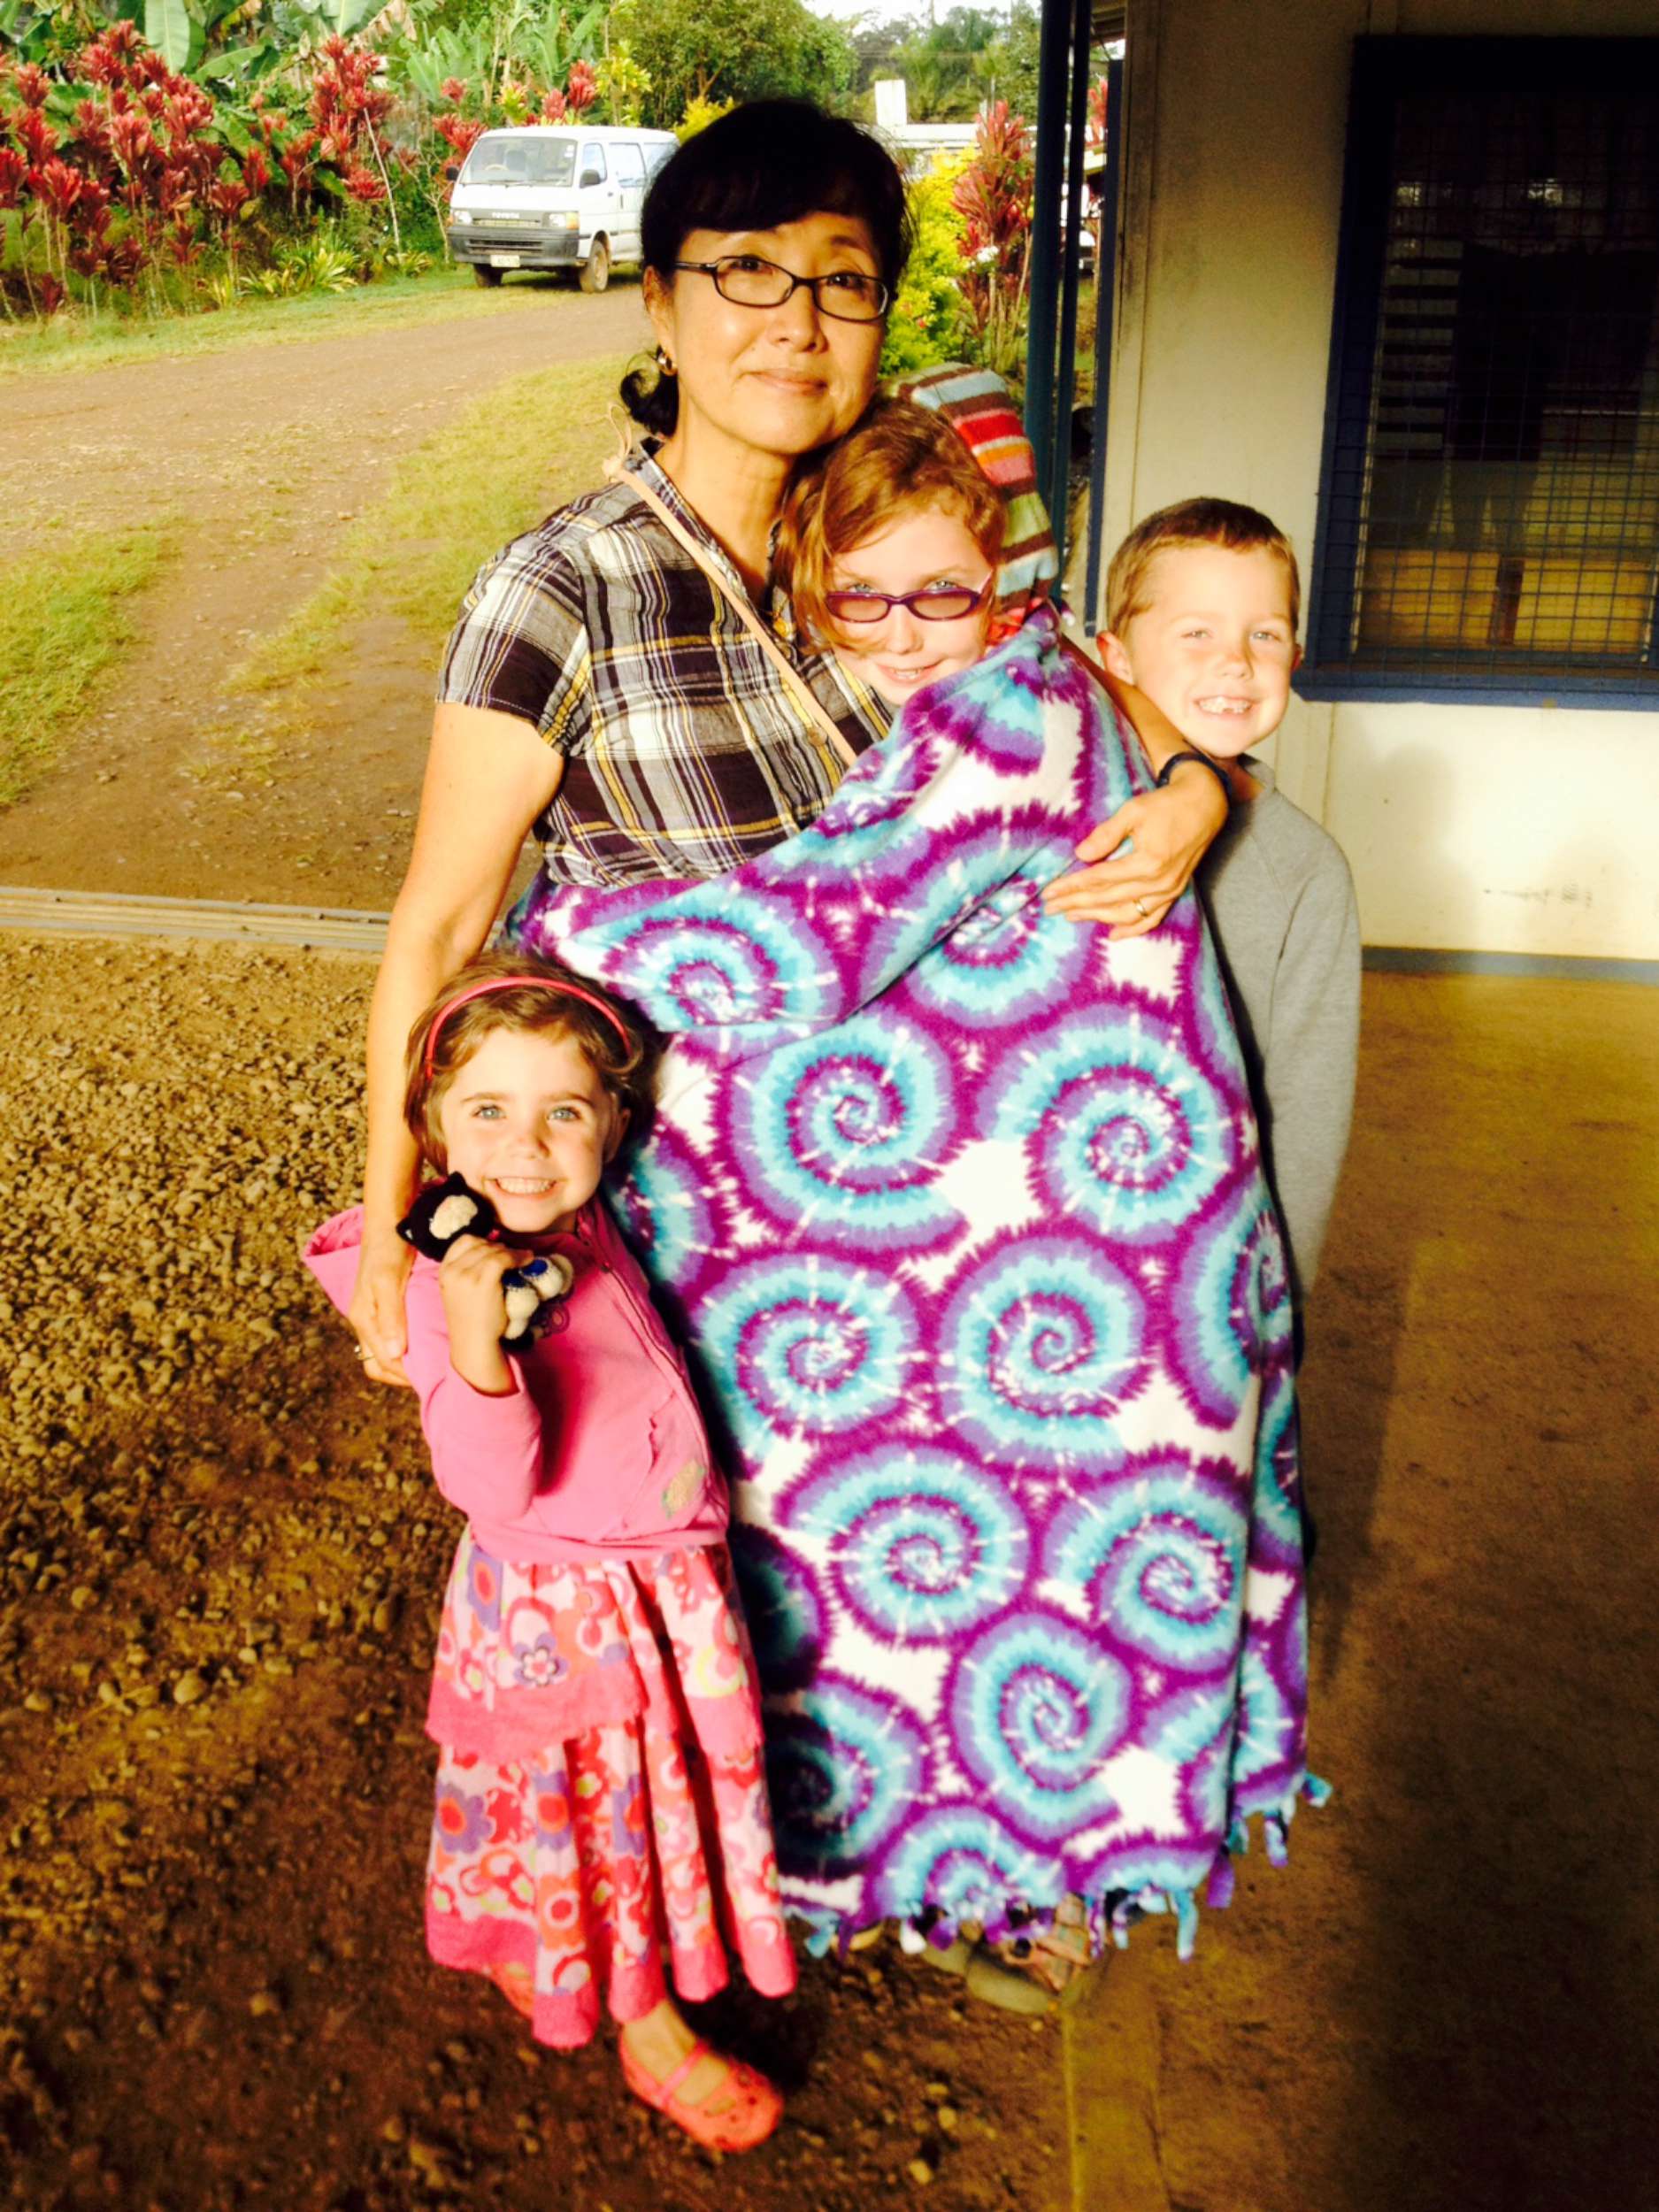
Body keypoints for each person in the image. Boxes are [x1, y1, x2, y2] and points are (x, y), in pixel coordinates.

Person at [510, 373, 1322, 1999]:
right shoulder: (1000, 713)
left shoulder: (1013, 718)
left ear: (1010, 585)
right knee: (1004, 1574)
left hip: (1112, 1270)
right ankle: (969, 1870)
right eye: (860, 593)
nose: (897, 631)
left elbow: (800, 952)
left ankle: (996, 1876)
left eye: (939, 589)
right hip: (1095, 1262)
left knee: (1032, 1573)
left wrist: (557, 931)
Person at [348, 97, 1230, 1390]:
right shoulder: (565, 588)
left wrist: (1196, 788)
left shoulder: (899, 539)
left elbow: (1078, 690)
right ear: (657, 302)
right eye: (746, 268)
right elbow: (435, 931)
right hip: (724, 1260)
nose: (796, 323)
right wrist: (387, 1225)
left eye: (842, 281)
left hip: (972, 1230)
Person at [305, 956, 795, 2152]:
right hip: (566, 1618)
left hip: (656, 1589)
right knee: (596, 1817)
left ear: (611, 1126)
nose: (523, 1147)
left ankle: (577, 1948)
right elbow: (484, 1483)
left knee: (625, 1810)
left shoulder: (577, 1222)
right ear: (427, 1130)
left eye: (560, 1112)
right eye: (485, 1113)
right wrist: (474, 1343)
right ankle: (641, 2023)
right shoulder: (443, 1289)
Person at [1098, 498, 1361, 1310]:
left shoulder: (1305, 871)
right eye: (1196, 632)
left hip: (1205, 1247)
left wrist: (1282, 1309)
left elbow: (1307, 1113)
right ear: (1115, 658)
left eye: (1265, 634)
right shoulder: (1061, 810)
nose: (1236, 663)